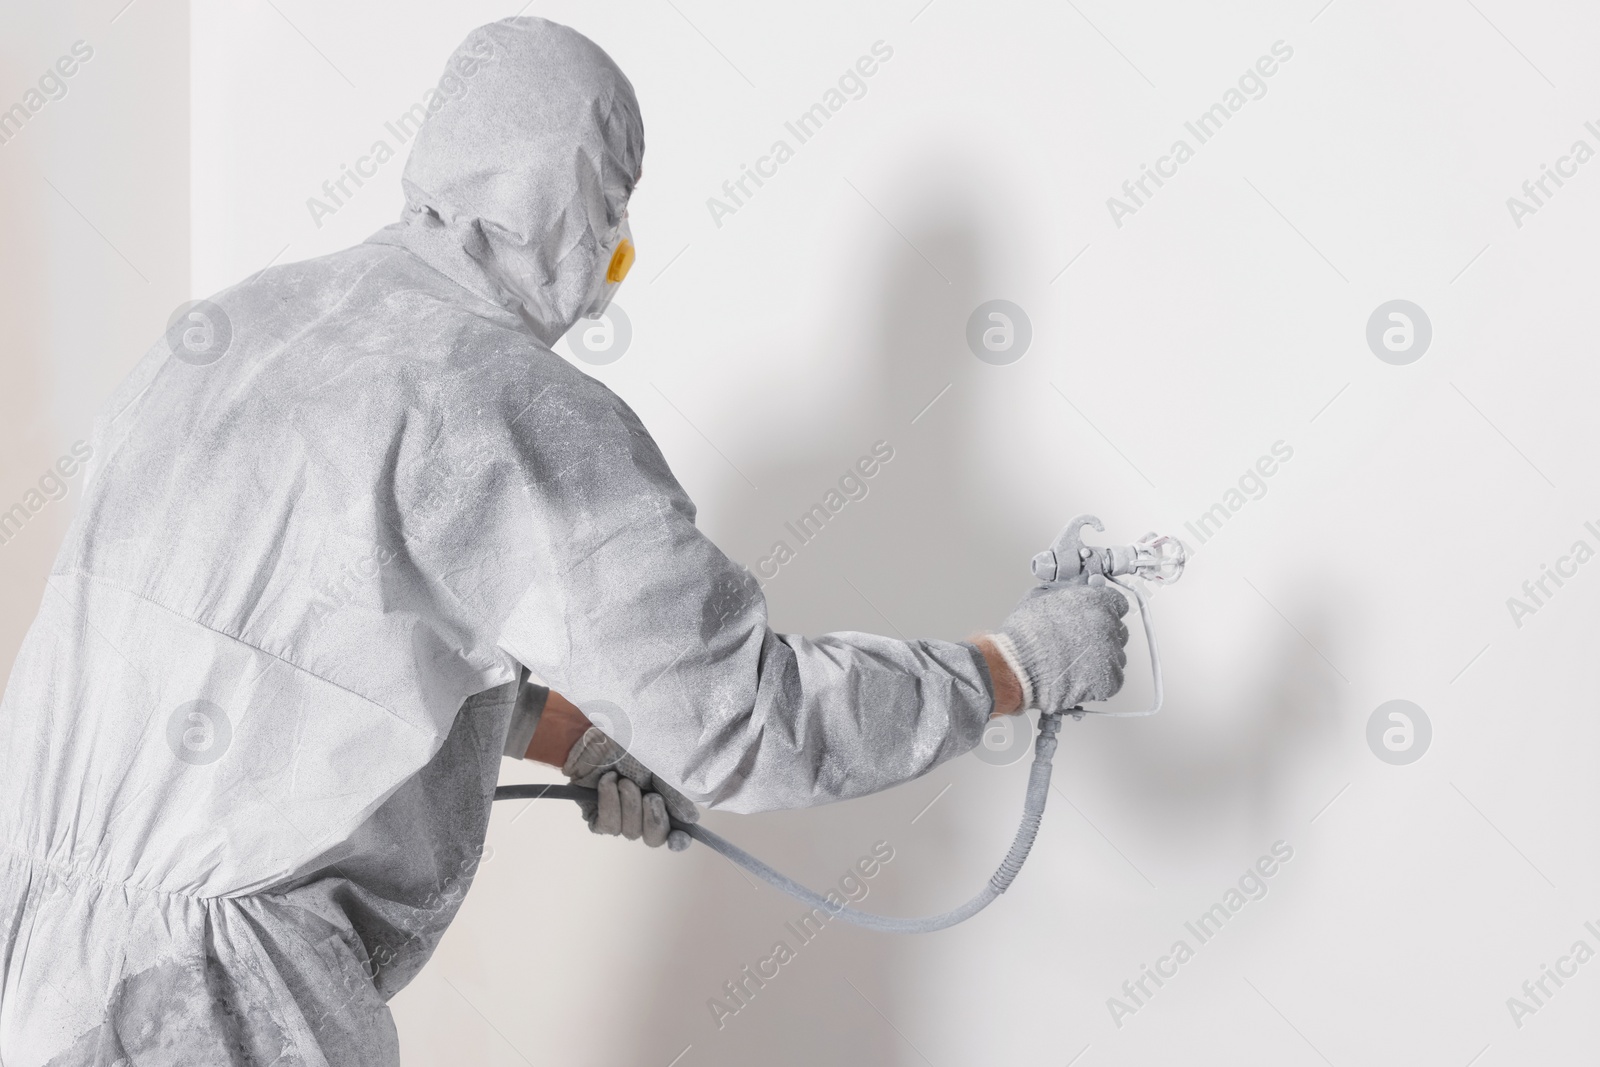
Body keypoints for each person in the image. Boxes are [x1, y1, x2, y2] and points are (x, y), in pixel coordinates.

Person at [0, 16, 1130, 1066]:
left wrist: (579, 736)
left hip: (34, 959)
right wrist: (1013, 668)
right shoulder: (509, 404)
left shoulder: (243, 325)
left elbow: (297, 667)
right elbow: (744, 722)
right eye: (618, 209)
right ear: (581, 200)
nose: (612, 264)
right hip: (217, 1009)